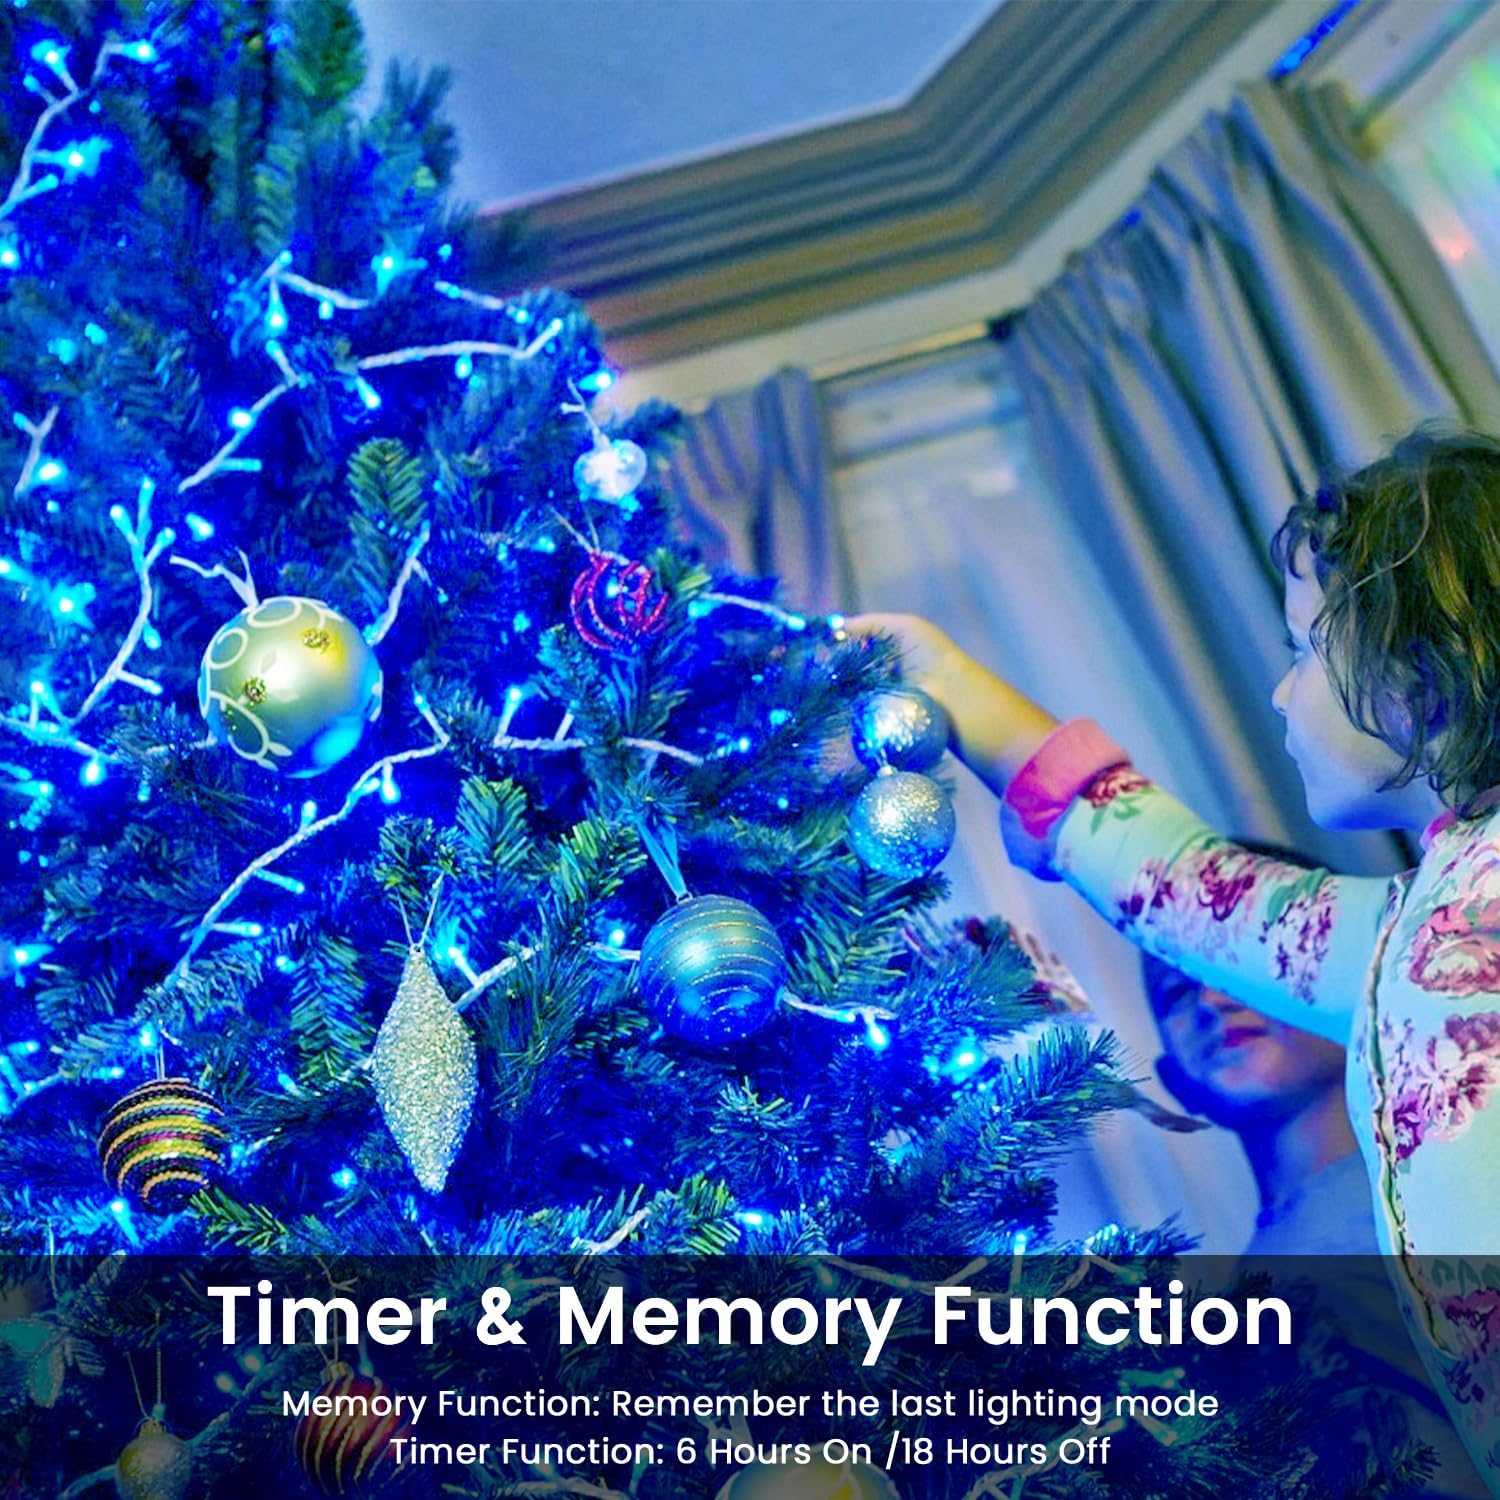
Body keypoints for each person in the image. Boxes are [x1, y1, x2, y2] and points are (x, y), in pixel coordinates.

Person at [851, 426, 1500, 1491]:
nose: (1283, 694)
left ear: (1420, 660)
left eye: (1305, 650)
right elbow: (1189, 890)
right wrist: (947, 680)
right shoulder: (1407, 932)